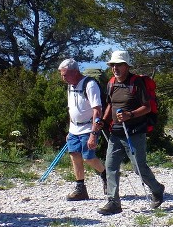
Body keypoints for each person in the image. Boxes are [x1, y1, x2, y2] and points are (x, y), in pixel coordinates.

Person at [99, 50, 166, 215]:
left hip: (135, 132)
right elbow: (110, 104)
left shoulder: (137, 83)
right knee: (110, 167)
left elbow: (147, 107)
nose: (115, 68)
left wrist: (130, 115)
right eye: (113, 65)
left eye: (119, 65)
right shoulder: (111, 83)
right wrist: (104, 120)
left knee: (138, 168)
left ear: (127, 66)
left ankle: (157, 189)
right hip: (115, 132)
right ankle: (113, 202)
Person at [58, 58, 108, 201]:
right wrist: (69, 130)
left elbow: (97, 110)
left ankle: (105, 174)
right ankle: (80, 189)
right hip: (74, 128)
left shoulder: (90, 84)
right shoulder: (71, 85)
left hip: (88, 127)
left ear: (75, 72)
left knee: (88, 158)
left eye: (65, 74)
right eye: (62, 75)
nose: (63, 78)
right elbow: (72, 109)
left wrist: (94, 133)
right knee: (74, 156)